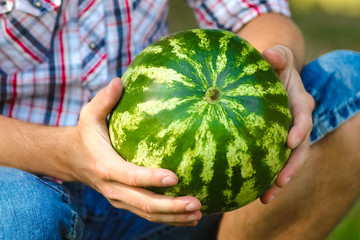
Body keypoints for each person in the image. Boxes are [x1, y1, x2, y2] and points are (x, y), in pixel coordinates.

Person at [0, 0, 358, 239]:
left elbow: (257, 13)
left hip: (183, 195)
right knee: (19, 211)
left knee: (351, 85)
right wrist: (69, 153)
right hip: (28, 181)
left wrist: (271, 70)